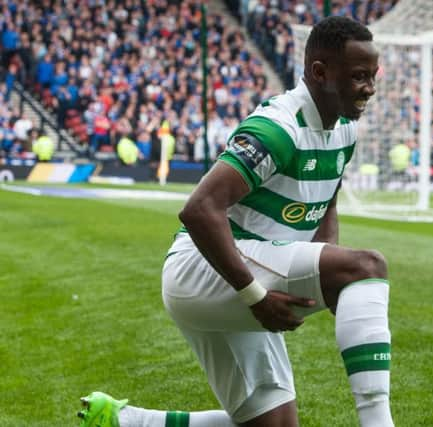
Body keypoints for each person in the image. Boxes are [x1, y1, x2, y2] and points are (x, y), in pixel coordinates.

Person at [78, 16, 393, 427]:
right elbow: (199, 209)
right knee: (367, 267)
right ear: (320, 72)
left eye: (372, 76)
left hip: (246, 273)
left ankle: (125, 421)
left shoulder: (344, 131)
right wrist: (255, 296)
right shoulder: (277, 129)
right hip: (202, 271)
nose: (369, 87)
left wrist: (322, 261)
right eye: (358, 76)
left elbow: (327, 200)